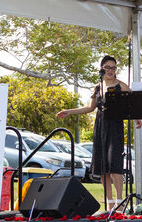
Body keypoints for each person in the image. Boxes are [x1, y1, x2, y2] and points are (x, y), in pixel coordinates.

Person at [56, 55, 132, 212]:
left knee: (115, 164)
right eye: (108, 67)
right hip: (100, 127)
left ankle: (119, 201)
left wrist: (137, 118)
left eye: (113, 67)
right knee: (103, 165)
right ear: (102, 68)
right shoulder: (98, 87)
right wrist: (69, 112)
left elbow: (134, 104)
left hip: (115, 127)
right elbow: (90, 108)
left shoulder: (121, 86)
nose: (111, 70)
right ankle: (109, 201)